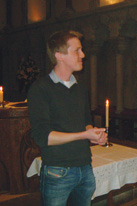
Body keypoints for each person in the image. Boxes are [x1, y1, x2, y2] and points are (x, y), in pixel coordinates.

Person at [27, 30, 108, 206]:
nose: (83, 55)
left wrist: (94, 134)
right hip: (58, 171)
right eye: (77, 50)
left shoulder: (80, 89)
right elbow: (43, 137)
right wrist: (83, 135)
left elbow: (86, 122)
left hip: (85, 168)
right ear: (59, 56)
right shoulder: (40, 89)